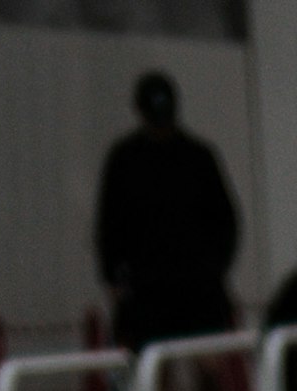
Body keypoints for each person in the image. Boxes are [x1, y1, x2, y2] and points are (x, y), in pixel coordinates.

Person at [95, 74, 242, 359]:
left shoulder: (194, 156)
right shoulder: (128, 159)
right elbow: (109, 223)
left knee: (204, 362)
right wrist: (112, 275)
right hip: (154, 281)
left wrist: (216, 267)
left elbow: (225, 220)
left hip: (189, 279)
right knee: (158, 366)